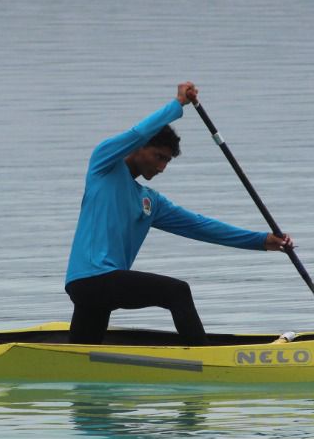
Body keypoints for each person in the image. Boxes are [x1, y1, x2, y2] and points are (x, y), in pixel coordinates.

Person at [64, 82, 291, 345]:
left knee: (84, 352)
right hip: (95, 278)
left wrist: (261, 240)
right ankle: (205, 359)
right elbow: (139, 132)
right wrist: (178, 104)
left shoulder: (150, 201)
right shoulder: (104, 167)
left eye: (167, 161)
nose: (161, 167)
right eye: (158, 156)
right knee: (177, 292)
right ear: (138, 148)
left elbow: (200, 226)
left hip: (92, 287)